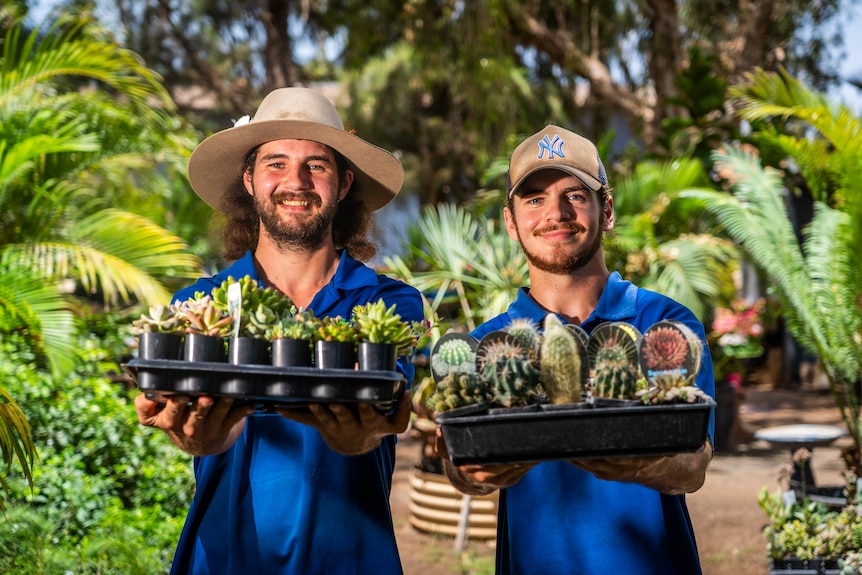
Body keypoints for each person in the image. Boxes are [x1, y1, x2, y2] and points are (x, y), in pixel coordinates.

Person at [134, 87, 423, 575]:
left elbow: (383, 414)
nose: (296, 181)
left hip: (352, 560)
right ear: (248, 180)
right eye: (275, 163)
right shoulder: (199, 307)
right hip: (223, 561)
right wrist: (201, 437)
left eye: (317, 165)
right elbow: (204, 432)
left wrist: (364, 433)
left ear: (344, 182)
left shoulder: (389, 305)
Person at [436, 125, 715, 575]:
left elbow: (694, 464)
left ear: (606, 210)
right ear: (511, 221)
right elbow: (460, 468)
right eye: (534, 199)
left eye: (575, 195)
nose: (556, 212)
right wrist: (467, 470)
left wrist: (639, 463)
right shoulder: (490, 343)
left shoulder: (667, 327)